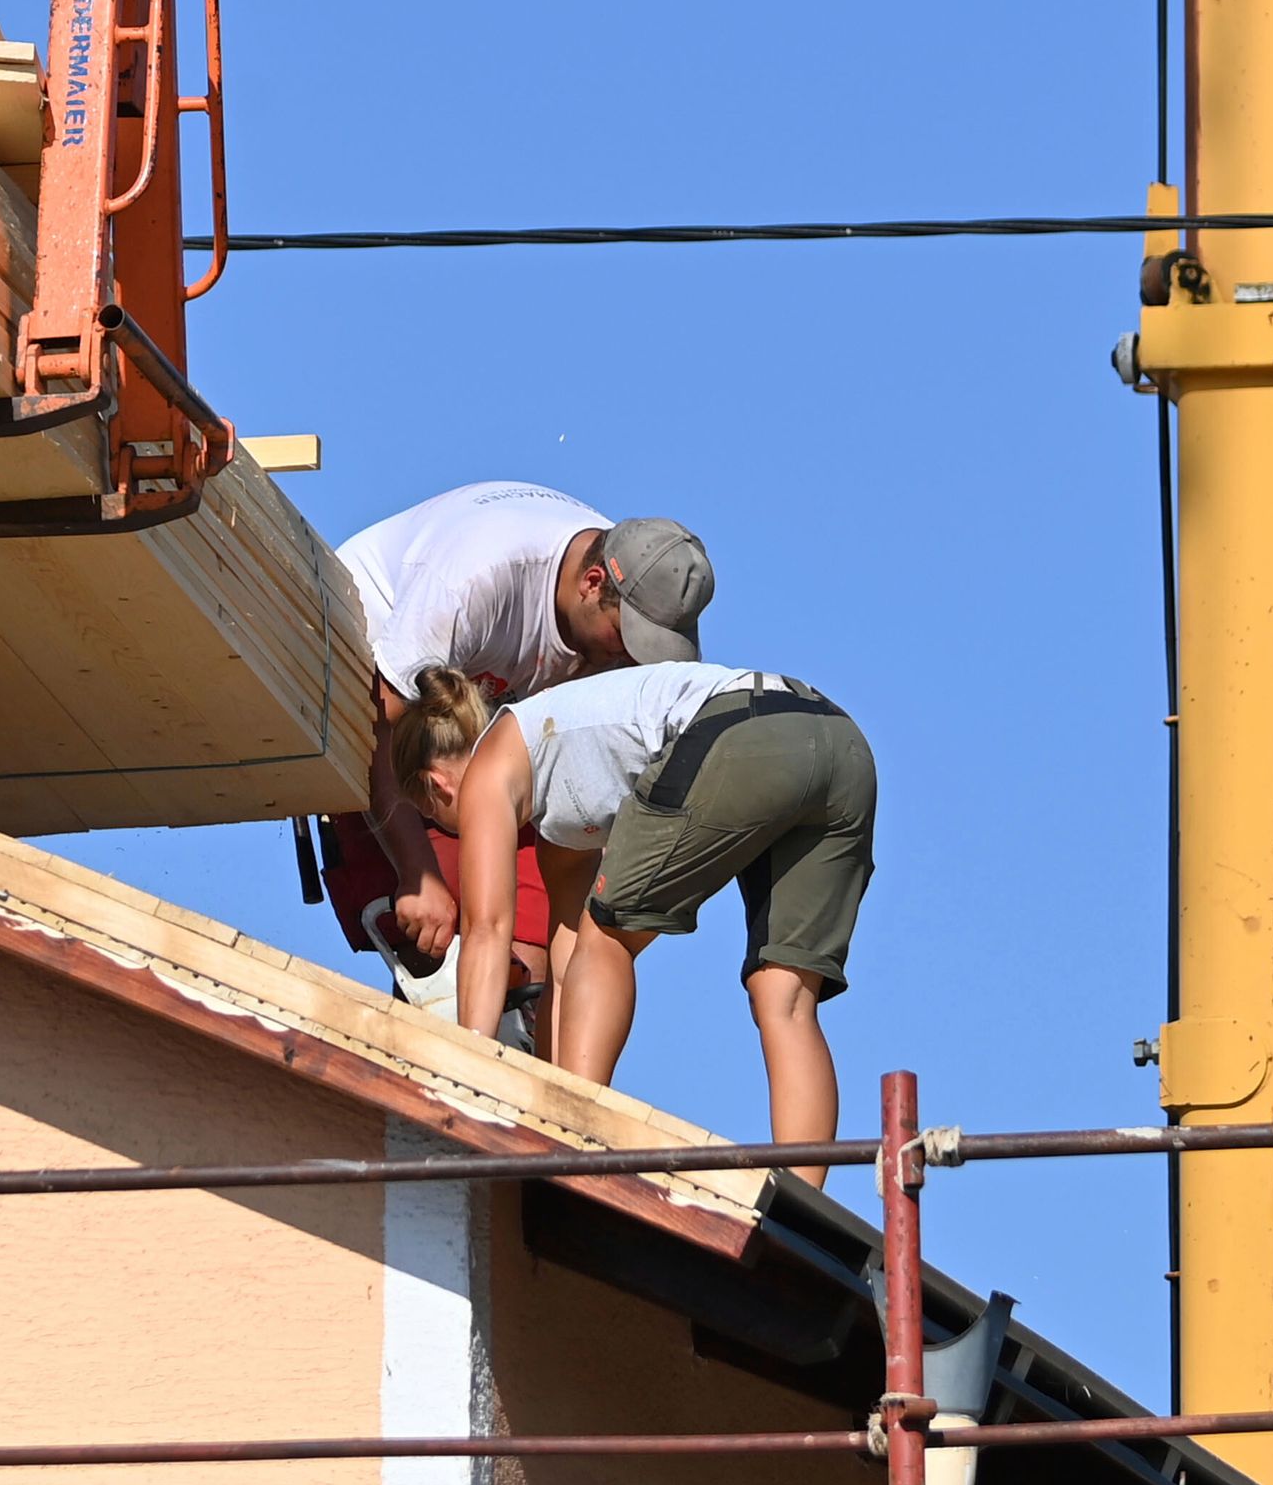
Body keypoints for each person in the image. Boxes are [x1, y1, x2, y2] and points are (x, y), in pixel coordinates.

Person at [386, 658, 876, 1174]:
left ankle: (572, 1140)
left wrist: (471, 1082)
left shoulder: (489, 767)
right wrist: (546, 1086)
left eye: (437, 821)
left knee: (608, 937)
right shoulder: (558, 798)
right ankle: (802, 1196)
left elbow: (487, 932)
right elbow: (566, 955)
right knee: (786, 997)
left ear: (437, 785)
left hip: (744, 732)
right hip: (838, 744)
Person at [295, 486, 717, 1033]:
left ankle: (538, 1111)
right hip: (380, 728)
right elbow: (374, 728)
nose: (631, 657)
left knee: (530, 973)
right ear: (592, 586)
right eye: (627, 637)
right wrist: (416, 869)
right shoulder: (477, 580)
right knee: (440, 955)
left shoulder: (636, 580)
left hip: (494, 756)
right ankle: (439, 1100)